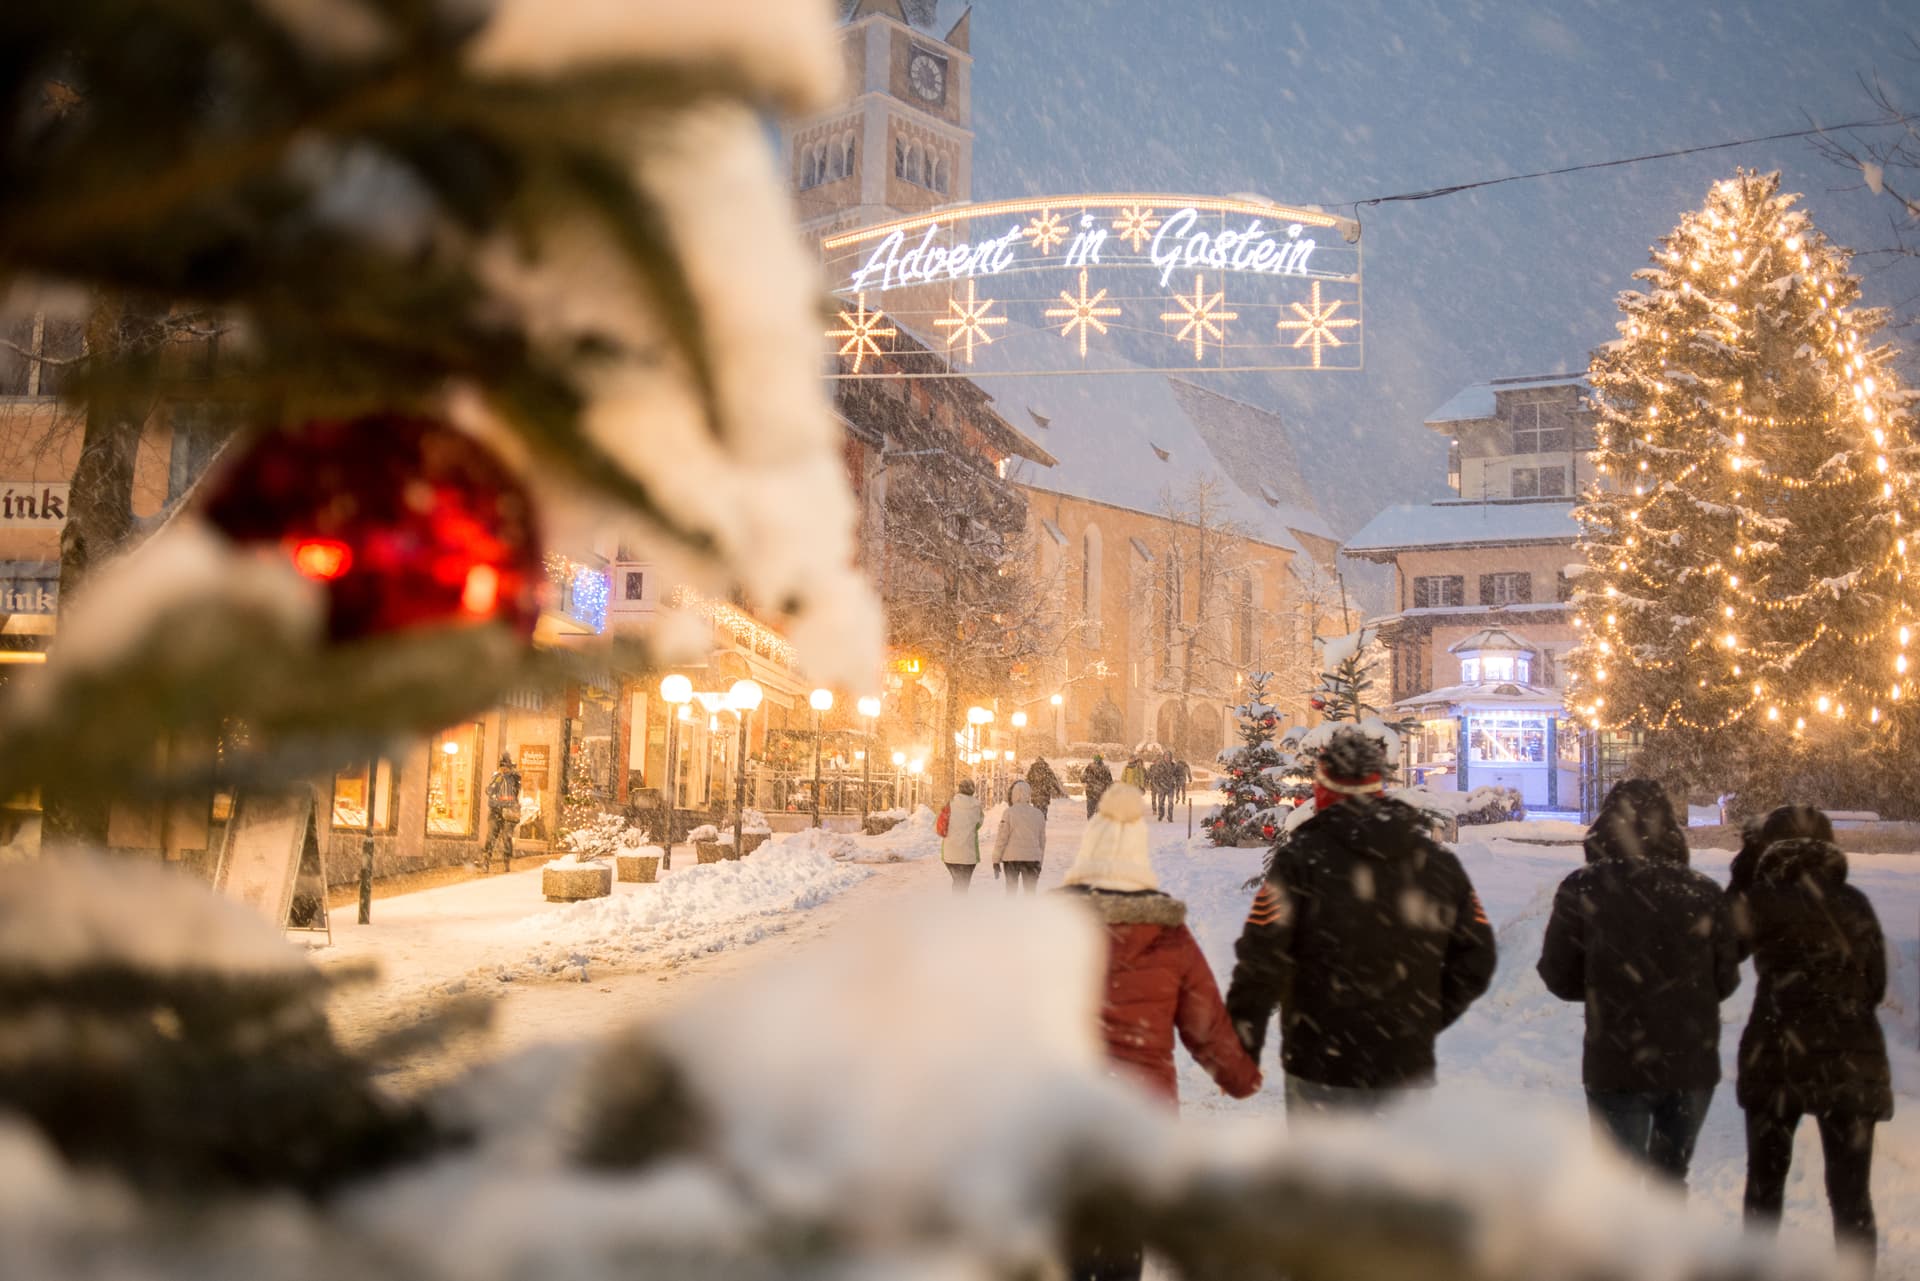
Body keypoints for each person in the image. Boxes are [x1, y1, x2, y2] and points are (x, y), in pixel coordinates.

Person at [1227, 726, 1496, 1116]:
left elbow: (1261, 958)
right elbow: (1477, 956)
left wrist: (1240, 1045)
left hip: (1319, 1063)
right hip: (1403, 1066)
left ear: (1323, 789)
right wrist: (1423, 1017)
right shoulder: (1434, 862)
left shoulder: (1301, 861)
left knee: (1324, 1175)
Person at [1059, 782, 1261, 1280]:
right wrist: (1238, 1076)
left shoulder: (1049, 928)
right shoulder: (1168, 935)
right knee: (1121, 1240)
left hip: (1061, 1111)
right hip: (1139, 1115)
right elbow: (1206, 1022)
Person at [1537, 778, 1739, 1187]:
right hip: (1690, 1063)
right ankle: (1665, 1250)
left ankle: (1625, 1251)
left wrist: (1604, 987)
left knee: (1619, 1188)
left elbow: (1558, 976)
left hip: (1616, 1059)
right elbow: (1726, 979)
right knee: (1669, 1181)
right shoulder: (1703, 892)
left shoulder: (1583, 888)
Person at [1732, 806, 1890, 1267]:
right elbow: (1876, 984)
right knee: (1851, 1195)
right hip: (1851, 1062)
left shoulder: (1761, 900)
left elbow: (1723, 947)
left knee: (1764, 1186)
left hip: (1776, 1056)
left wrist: (1744, 871)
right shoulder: (1855, 903)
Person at [991, 779, 1047, 895]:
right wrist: (1040, 862)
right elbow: (1042, 842)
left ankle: (1012, 912)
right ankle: (1028, 912)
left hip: (1012, 859)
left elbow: (1002, 838)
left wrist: (996, 860)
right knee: (1030, 893)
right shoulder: (1038, 814)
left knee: (1011, 892)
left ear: (1013, 794)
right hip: (1032, 859)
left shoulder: (1009, 813)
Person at [479, 751, 522, 873]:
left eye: (506, 767)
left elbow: (517, 784)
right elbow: (489, 791)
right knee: (490, 837)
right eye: (502, 766)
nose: (504, 769)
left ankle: (506, 862)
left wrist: (511, 772)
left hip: (509, 812)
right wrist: (496, 781)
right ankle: (486, 861)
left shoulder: (514, 778)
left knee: (506, 837)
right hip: (495, 811)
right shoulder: (496, 777)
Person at [939, 778, 984, 893]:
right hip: (969, 854)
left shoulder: (949, 805)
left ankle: (957, 906)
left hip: (951, 852)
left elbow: (940, 826)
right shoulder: (977, 806)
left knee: (958, 882)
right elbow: (978, 824)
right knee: (963, 884)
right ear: (973, 790)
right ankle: (960, 906)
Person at [1146, 752, 1178, 822]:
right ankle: (1161, 814)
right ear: (1164, 757)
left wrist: (1175, 780)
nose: (1167, 758)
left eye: (1169, 757)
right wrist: (1158, 786)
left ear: (1171, 758)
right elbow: (1155, 777)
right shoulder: (1159, 766)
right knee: (1161, 803)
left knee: (1170, 803)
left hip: (1170, 788)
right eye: (1166, 756)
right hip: (1162, 787)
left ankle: (1170, 816)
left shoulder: (1174, 766)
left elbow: (1178, 776)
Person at [1081, 753, 1112, 819]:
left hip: (1091, 793)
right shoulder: (1105, 769)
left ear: (1094, 760)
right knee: (1100, 812)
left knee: (1090, 812)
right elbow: (1110, 783)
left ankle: (1091, 824)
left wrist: (1089, 781)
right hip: (1101, 793)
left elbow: (1082, 779)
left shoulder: (1089, 768)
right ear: (1102, 760)